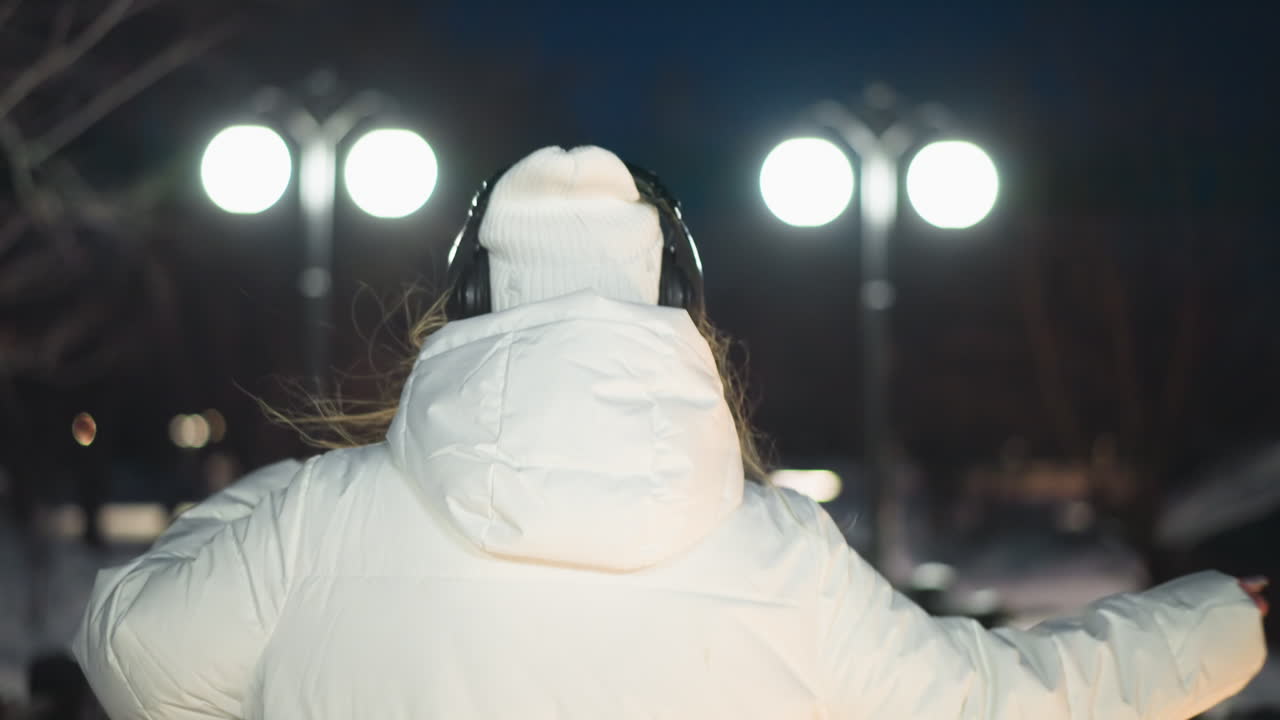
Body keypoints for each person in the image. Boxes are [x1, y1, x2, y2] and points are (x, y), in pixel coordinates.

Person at [73, 146, 1267, 719]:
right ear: (675, 310)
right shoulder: (779, 557)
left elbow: (129, 652)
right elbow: (1004, 707)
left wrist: (290, 497)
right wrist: (1215, 621)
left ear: (469, 304)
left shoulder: (316, 522)